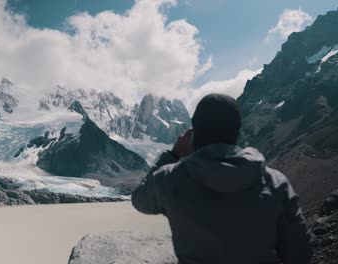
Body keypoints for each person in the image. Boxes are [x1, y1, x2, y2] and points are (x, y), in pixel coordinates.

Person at [131, 94, 314, 264]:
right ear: (237, 132)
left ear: (193, 133)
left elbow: (140, 199)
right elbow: (300, 253)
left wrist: (172, 155)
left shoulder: (170, 178)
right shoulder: (275, 182)